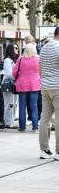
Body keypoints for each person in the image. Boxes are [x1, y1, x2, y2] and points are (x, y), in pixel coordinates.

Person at [38, 27, 59, 160]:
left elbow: (40, 69)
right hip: (58, 86)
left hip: (45, 87)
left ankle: (44, 150)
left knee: (44, 119)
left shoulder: (44, 47)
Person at [13, 44, 41, 132]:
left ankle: (22, 127)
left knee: (22, 106)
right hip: (35, 84)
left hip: (22, 84)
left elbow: (14, 72)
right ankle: (35, 127)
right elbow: (42, 71)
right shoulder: (38, 59)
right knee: (34, 106)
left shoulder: (20, 59)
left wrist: (17, 78)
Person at [1, 44, 18, 129]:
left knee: (13, 103)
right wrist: (17, 76)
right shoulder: (7, 60)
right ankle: (8, 122)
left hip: (13, 84)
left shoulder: (13, 60)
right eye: (15, 48)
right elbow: (9, 74)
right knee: (9, 103)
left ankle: (11, 121)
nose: (17, 49)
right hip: (8, 84)